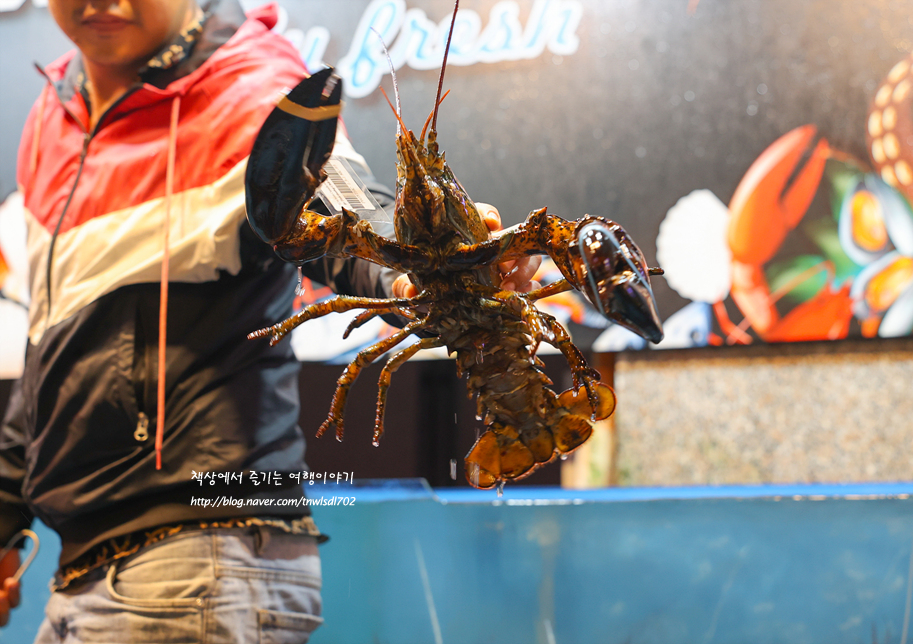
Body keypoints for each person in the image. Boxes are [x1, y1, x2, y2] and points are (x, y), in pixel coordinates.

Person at [0, 0, 540, 640]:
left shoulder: (255, 85)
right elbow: (51, 350)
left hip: (198, 562)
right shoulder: (52, 120)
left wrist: (424, 265)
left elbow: (350, 213)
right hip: (82, 572)